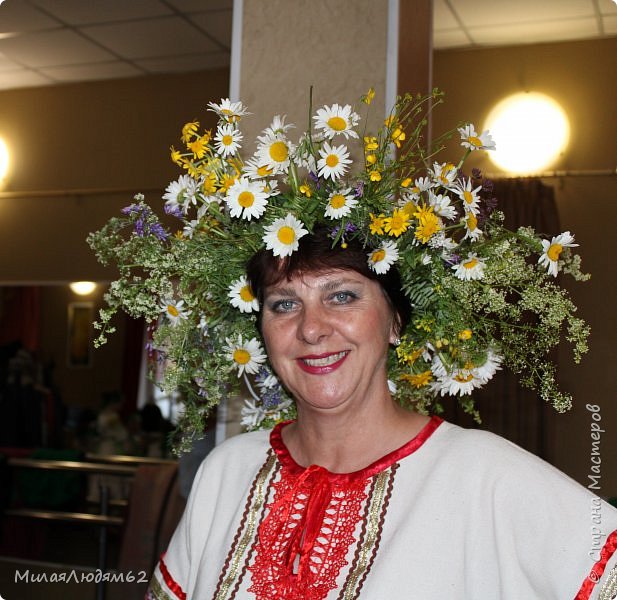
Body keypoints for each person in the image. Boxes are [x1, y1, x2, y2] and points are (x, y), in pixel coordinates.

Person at [146, 227, 617, 600]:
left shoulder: (485, 477)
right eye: (284, 304)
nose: (311, 328)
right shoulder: (227, 471)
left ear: (394, 322)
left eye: (342, 296)